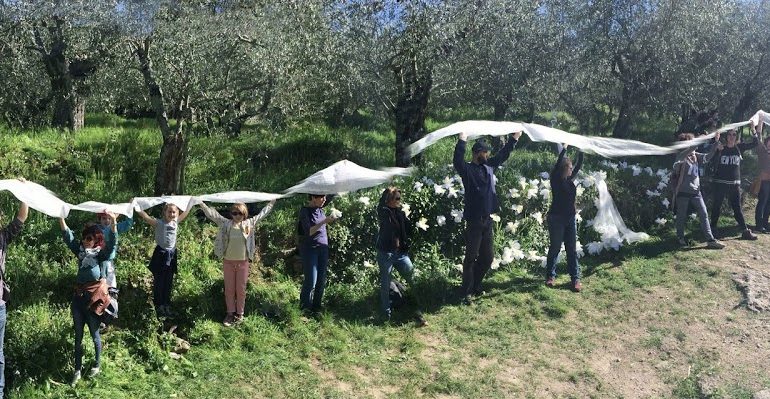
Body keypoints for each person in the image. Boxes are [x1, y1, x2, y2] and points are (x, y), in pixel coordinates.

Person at [453, 131, 522, 304]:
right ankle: (466, 292)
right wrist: (462, 140)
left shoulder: (489, 166)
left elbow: (503, 155)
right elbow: (457, 161)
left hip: (487, 220)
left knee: (488, 258)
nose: (488, 155)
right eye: (485, 152)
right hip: (474, 221)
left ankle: (475, 285)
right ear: (477, 153)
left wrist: (514, 139)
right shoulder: (467, 170)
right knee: (470, 257)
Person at [59, 213, 117, 386]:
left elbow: (112, 243)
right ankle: (77, 370)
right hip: (78, 300)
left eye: (89, 238)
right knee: (78, 336)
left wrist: (113, 223)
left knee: (94, 334)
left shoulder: (101, 256)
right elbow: (68, 237)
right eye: (84, 238)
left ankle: (97, 365)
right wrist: (60, 217)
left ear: (96, 239)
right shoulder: (81, 253)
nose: (85, 241)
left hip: (93, 301)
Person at [199, 200, 275, 326]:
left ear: (244, 214)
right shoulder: (226, 223)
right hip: (228, 262)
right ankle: (230, 314)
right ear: (231, 214)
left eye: (240, 213)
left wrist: (271, 203)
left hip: (243, 263)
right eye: (234, 213)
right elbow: (212, 214)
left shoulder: (249, 223)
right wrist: (201, 203)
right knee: (229, 289)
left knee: (241, 289)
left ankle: (240, 314)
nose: (237, 215)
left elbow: (262, 214)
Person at [376, 187, 426, 326]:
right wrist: (388, 190)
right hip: (386, 253)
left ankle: (421, 304)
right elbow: (380, 204)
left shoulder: (400, 212)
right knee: (385, 283)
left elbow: (406, 229)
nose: (399, 201)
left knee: (412, 276)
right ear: (389, 200)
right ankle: (386, 314)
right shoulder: (384, 212)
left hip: (400, 253)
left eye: (399, 198)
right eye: (397, 198)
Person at [135, 203, 195, 317]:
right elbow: (146, 217)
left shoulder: (176, 222)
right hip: (161, 254)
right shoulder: (159, 223)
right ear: (164, 212)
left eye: (174, 212)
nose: (172, 214)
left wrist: (191, 202)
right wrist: (136, 207)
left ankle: (166, 304)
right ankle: (159, 305)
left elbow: (186, 213)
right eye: (169, 212)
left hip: (171, 254)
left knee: (168, 280)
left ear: (177, 213)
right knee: (159, 280)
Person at [671, 133, 725, 249]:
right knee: (681, 216)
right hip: (683, 192)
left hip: (696, 192)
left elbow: (708, 157)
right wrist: (700, 140)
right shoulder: (681, 156)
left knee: (704, 214)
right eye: (691, 142)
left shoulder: (695, 156)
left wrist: (715, 142)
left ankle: (710, 240)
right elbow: (691, 149)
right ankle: (680, 238)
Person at [544, 144, 584, 292]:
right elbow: (557, 165)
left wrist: (581, 151)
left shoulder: (569, 180)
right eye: (569, 167)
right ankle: (550, 276)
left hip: (570, 219)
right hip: (556, 219)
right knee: (555, 248)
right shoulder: (556, 179)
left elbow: (579, 166)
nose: (572, 170)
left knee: (571, 250)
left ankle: (575, 279)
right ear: (563, 168)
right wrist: (564, 149)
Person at [0, 196, 28, 397]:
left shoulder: (2, 237)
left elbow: (20, 218)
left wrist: (24, 193)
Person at [710, 128, 759, 240]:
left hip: (734, 184)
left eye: (734, 134)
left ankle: (745, 231)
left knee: (737, 208)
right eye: (729, 134)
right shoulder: (721, 148)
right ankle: (712, 229)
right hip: (720, 183)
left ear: (736, 136)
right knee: (716, 206)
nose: (732, 136)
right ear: (726, 136)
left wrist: (753, 129)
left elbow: (755, 143)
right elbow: (709, 156)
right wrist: (715, 143)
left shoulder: (739, 147)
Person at [298, 194, 336, 314]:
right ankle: (305, 308)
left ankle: (316, 308)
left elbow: (331, 195)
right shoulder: (305, 211)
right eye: (321, 198)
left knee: (321, 280)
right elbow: (309, 231)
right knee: (311, 280)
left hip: (323, 248)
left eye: (325, 197)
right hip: (310, 249)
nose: (324, 200)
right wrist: (324, 221)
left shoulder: (321, 210)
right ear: (313, 198)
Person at [96, 212, 133, 301]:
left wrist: (130, 210)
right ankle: (98, 307)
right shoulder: (96, 229)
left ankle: (112, 306)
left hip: (109, 262)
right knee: (99, 286)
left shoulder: (115, 226)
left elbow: (128, 224)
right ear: (100, 219)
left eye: (109, 218)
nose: (107, 221)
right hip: (97, 262)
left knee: (111, 285)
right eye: (104, 218)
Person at [754, 126, 770, 233]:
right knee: (762, 202)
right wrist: (759, 124)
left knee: (768, 203)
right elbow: (758, 137)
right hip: (763, 182)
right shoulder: (762, 150)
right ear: (766, 142)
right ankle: (759, 225)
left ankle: (765, 223)